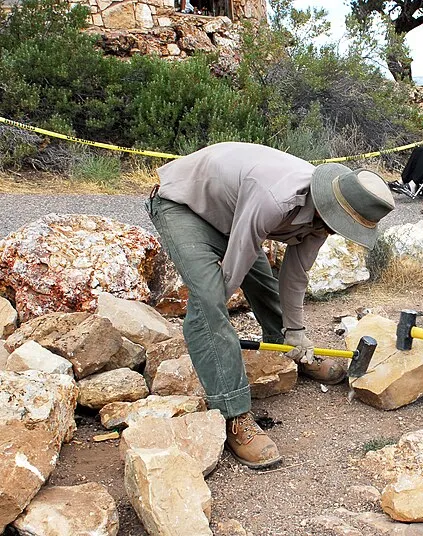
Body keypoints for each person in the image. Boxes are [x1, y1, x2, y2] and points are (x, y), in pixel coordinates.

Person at [146, 142, 395, 469]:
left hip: (231, 213)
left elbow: (295, 274)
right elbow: (236, 263)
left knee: (264, 284)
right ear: (333, 207)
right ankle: (234, 412)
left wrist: (296, 333)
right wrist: (212, 324)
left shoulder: (324, 214)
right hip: (183, 205)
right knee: (208, 301)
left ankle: (285, 347)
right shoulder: (276, 198)